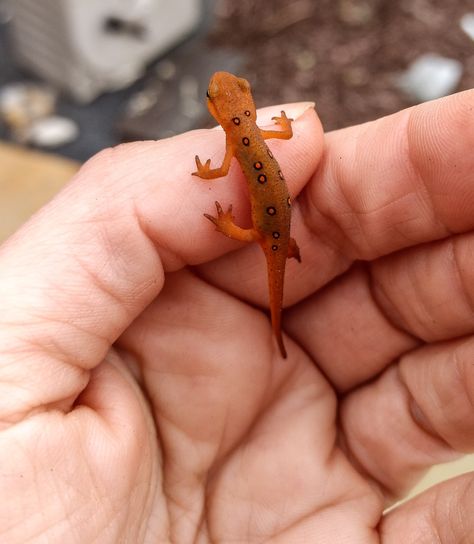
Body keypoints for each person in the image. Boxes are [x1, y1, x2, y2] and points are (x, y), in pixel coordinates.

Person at [0, 91, 472, 543]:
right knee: (275, 245)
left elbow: (221, 171)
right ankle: (283, 263)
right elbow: (282, 139)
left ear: (222, 111)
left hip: (265, 227)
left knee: (267, 244)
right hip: (276, 225)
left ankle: (272, 262)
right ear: (237, 110)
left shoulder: (234, 141)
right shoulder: (258, 133)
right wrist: (285, 126)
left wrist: (228, 224)